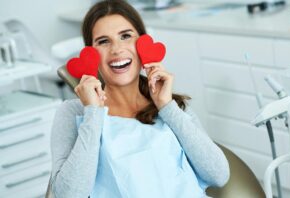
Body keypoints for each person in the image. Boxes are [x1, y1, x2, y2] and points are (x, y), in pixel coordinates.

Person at [50, 0, 229, 197]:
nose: (116, 49)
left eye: (126, 36)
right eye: (103, 41)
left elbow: (219, 175)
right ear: (90, 54)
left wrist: (167, 107)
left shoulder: (169, 104)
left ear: (142, 44)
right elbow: (67, 195)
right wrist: (93, 114)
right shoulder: (74, 112)